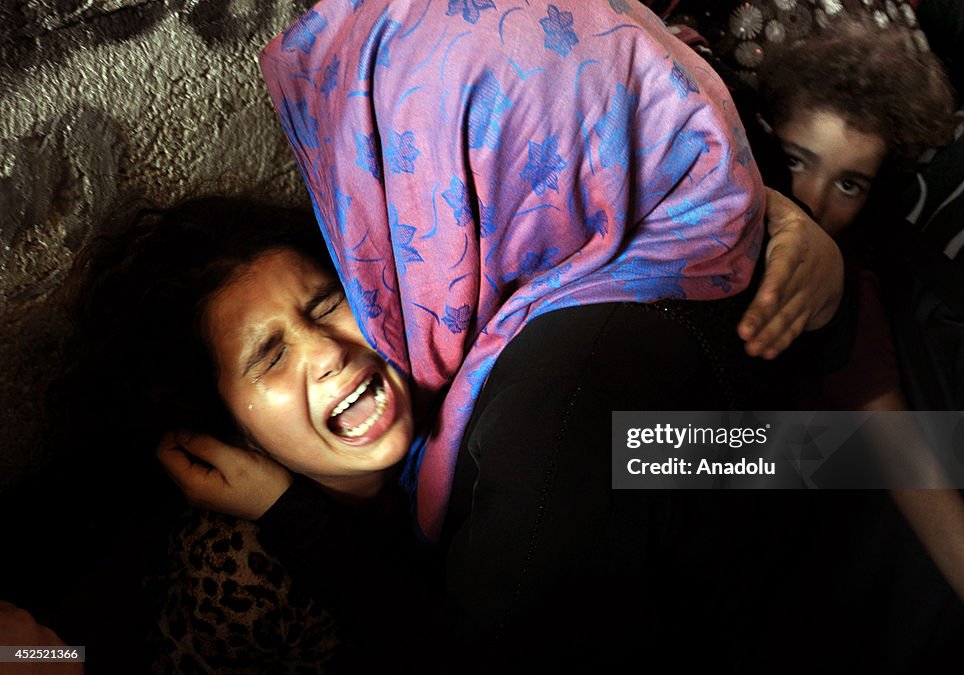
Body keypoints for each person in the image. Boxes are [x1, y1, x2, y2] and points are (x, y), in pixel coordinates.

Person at [52, 0, 853, 669]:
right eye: (268, 355)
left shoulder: (548, 407)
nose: (328, 348)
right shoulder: (590, 321)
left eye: (329, 302)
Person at [758, 16, 964, 673]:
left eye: (849, 183)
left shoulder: (853, 291)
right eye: (797, 160)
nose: (815, 201)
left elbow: (904, 458)